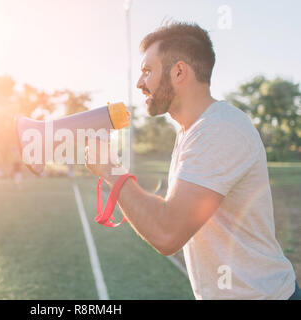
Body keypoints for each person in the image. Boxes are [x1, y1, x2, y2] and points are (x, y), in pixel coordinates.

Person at [84, 22, 298, 300]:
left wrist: (111, 170)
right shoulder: (193, 130)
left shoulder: (219, 128)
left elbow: (167, 232)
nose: (139, 83)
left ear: (179, 71)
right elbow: (173, 213)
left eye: (147, 71)